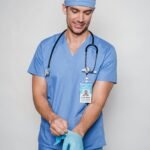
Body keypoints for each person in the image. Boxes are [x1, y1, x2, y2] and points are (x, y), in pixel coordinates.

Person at [28, 0, 117, 150]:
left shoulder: (106, 51)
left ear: (92, 13)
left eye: (87, 12)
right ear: (65, 9)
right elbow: (39, 95)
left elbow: (97, 102)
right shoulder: (45, 48)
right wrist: (52, 118)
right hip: (50, 142)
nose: (80, 19)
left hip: (88, 143)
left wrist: (78, 132)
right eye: (75, 11)